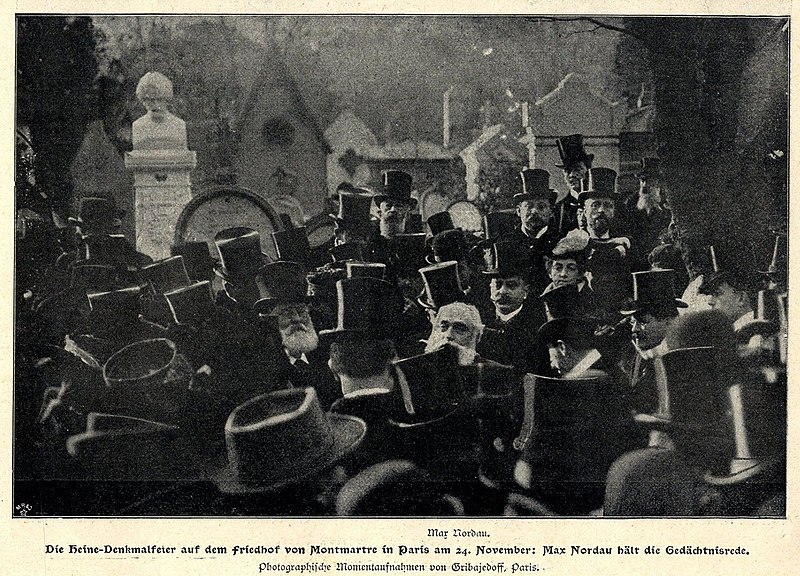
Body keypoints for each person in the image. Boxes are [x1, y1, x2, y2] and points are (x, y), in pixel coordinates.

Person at [256, 261, 341, 410]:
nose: (296, 318)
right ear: (270, 320)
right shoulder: (265, 367)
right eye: (285, 312)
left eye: (301, 311)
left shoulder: (328, 353)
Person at [578, 167, 635, 314]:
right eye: (595, 204)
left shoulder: (627, 246)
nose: (601, 210)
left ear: (614, 212)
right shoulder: (574, 246)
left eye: (607, 205)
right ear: (585, 211)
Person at [506, 168, 560, 296]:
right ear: (519, 211)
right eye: (529, 206)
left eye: (541, 207)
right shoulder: (506, 242)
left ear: (551, 211)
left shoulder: (560, 242)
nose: (534, 211)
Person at [625, 157, 672, 269]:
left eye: (649, 180)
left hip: (663, 261)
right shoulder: (631, 203)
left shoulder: (668, 205)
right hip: (637, 260)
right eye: (642, 180)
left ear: (659, 183)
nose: (644, 185)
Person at [131, 71, 188, 150]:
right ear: (143, 100)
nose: (155, 104)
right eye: (149, 99)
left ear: (167, 99)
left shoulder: (179, 125)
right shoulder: (138, 126)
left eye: (159, 99)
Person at [553, 134, 593, 236]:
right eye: (567, 170)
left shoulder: (603, 204)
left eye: (577, 169)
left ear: (588, 170)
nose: (572, 175)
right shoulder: (559, 210)